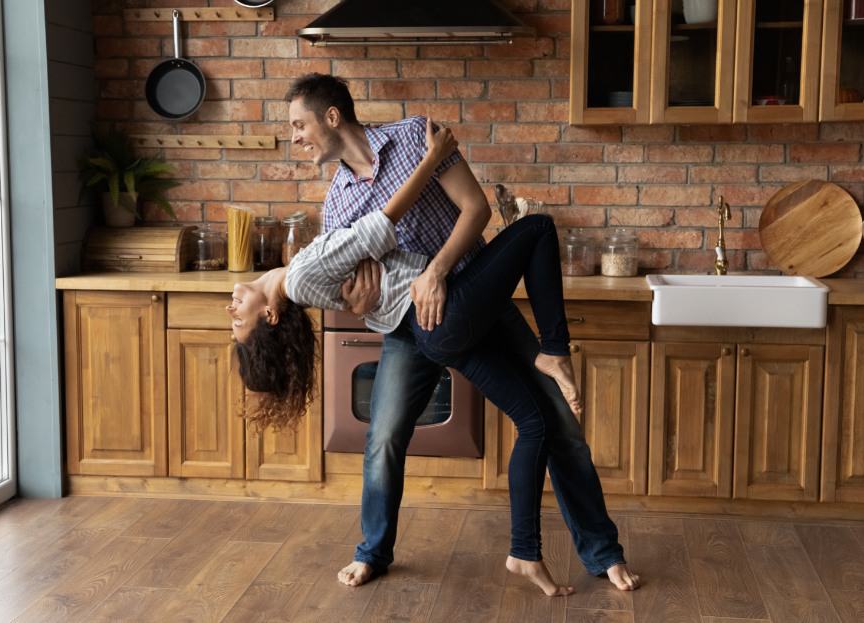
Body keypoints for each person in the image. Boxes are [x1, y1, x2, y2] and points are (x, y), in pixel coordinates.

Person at [229, 78, 636, 594]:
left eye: (298, 125)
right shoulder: (337, 207)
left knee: (559, 422)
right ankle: (373, 552)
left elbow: (477, 209)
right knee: (384, 436)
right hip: (410, 327)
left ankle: (602, 552)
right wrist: (360, 305)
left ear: (331, 116)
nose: (294, 139)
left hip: (473, 298)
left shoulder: (416, 138)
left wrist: (437, 272)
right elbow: (360, 289)